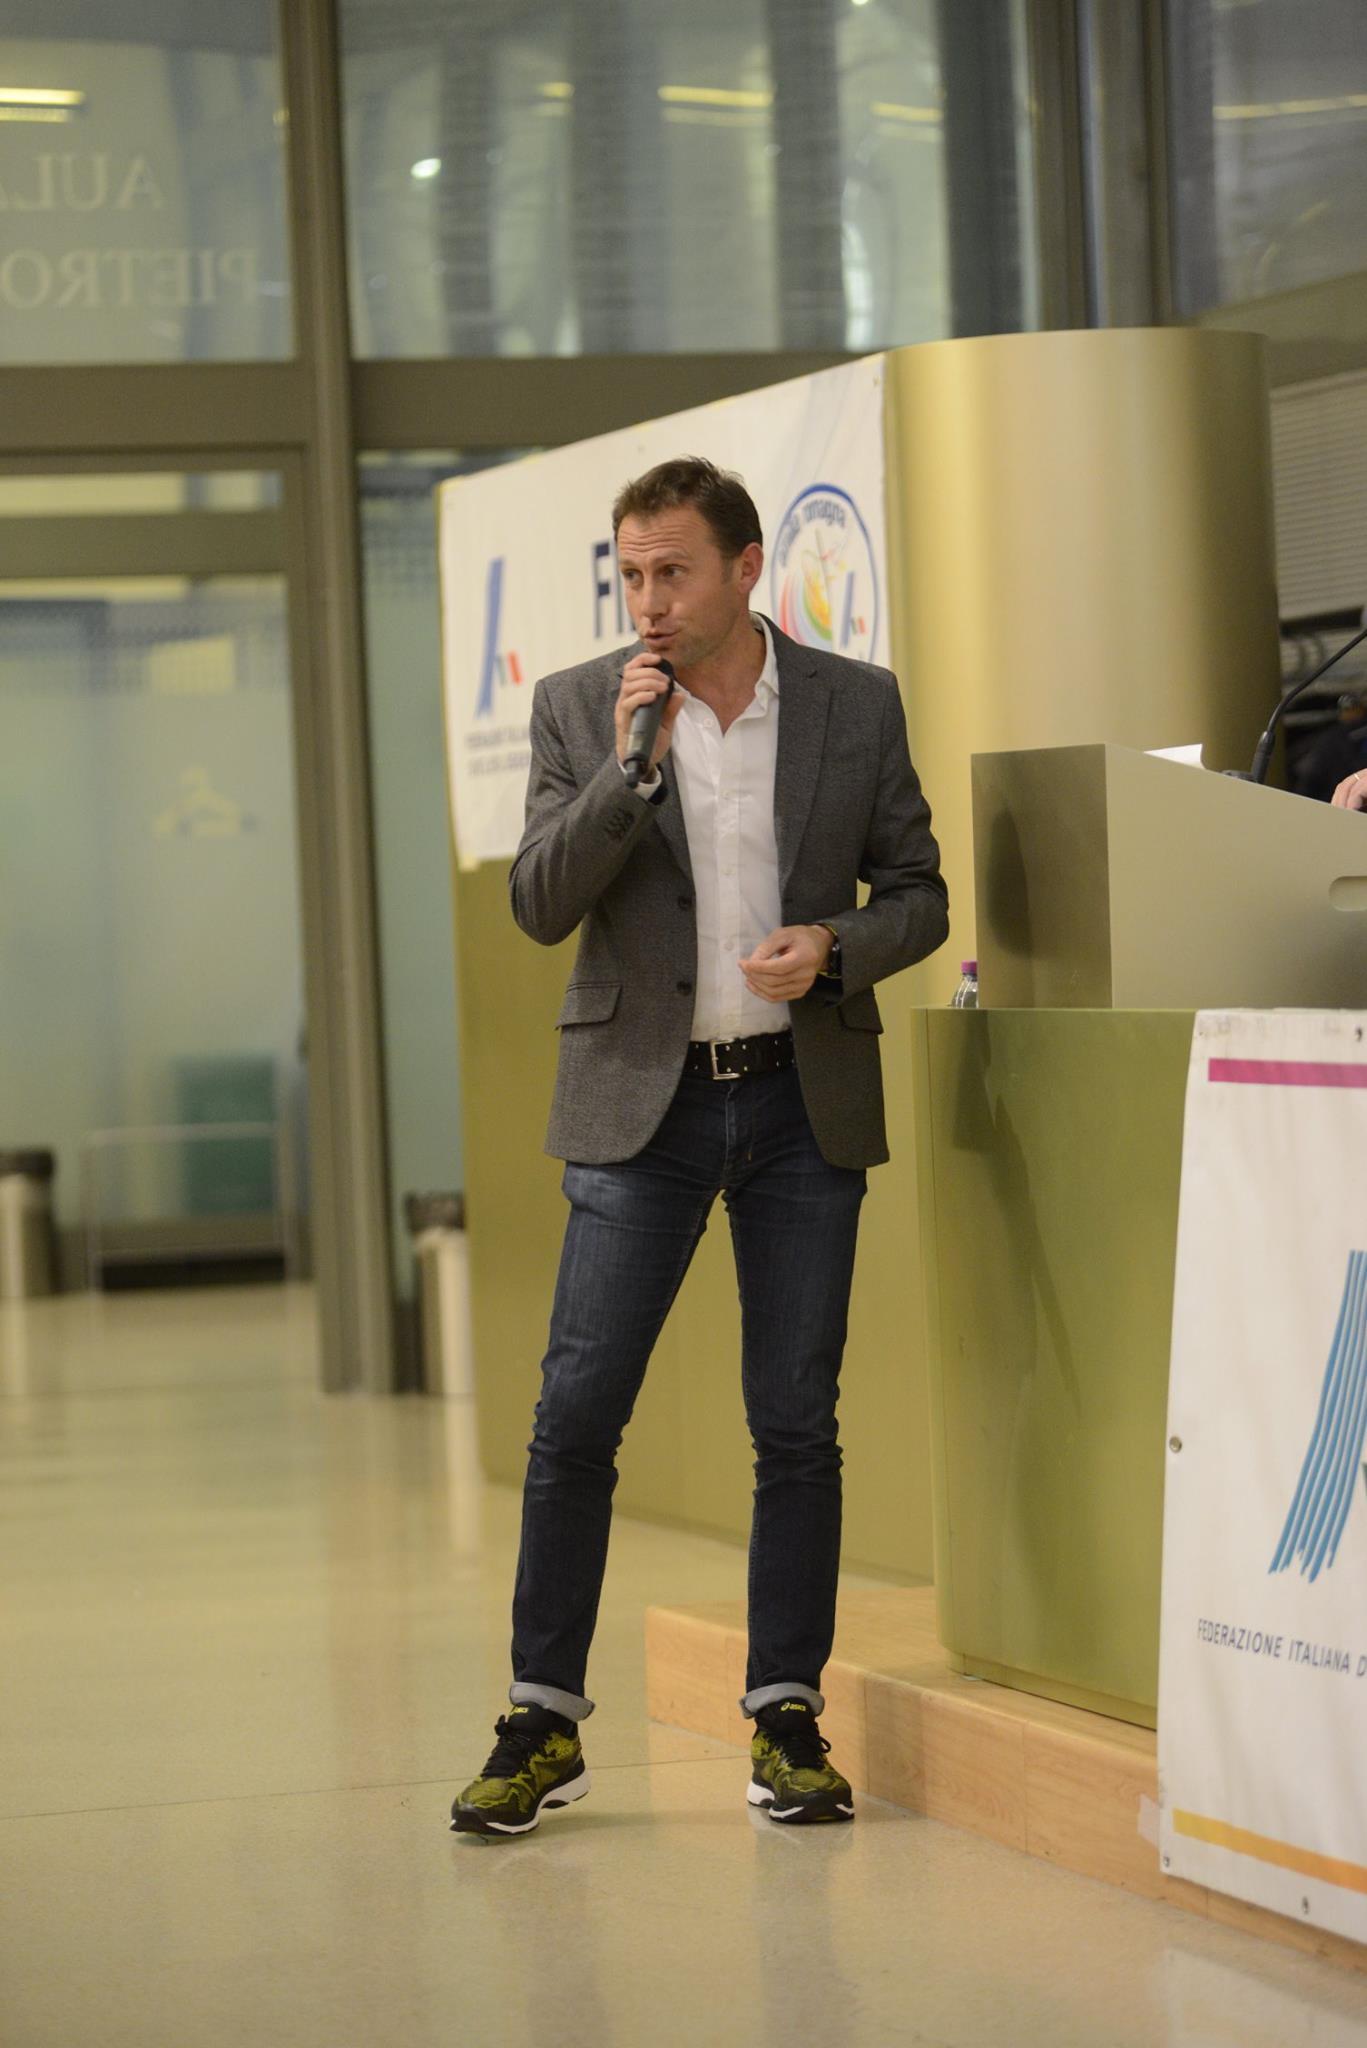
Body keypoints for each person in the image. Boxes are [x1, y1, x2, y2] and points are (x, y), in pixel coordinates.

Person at [450, 456, 948, 1838]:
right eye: (631, 575)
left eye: (672, 571)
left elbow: (920, 891)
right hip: (640, 1109)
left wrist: (837, 945)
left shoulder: (855, 702)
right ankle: (541, 1721)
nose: (649, 600)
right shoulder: (582, 707)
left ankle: (786, 1717)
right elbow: (540, 904)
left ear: (744, 569)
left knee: (795, 1422)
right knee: (576, 1417)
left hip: (799, 1105)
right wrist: (631, 767)